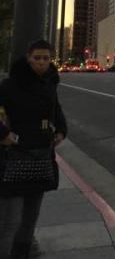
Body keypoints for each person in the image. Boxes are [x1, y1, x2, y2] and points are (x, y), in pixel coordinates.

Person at [0, 40, 67, 259]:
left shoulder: (50, 84)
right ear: (28, 58)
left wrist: (62, 130)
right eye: (37, 58)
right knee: (10, 220)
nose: (41, 62)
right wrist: (4, 135)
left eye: (45, 58)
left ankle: (23, 253)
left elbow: (55, 109)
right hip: (14, 157)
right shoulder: (11, 84)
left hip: (41, 156)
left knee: (30, 216)